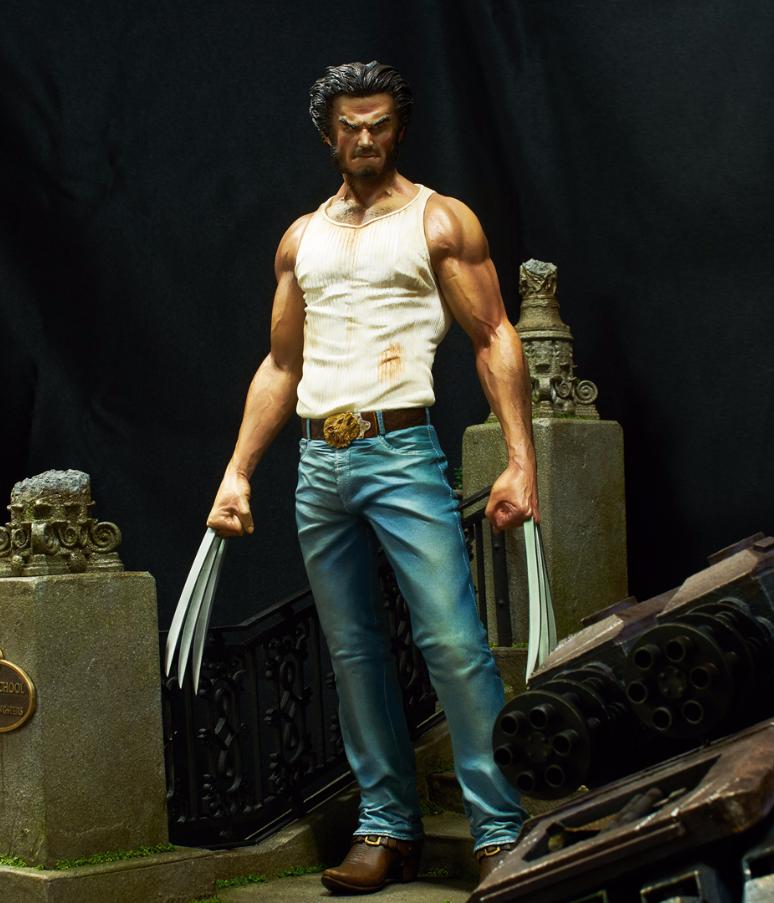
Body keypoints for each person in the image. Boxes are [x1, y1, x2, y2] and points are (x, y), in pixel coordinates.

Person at [206, 60, 537, 893]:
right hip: (320, 460)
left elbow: (494, 333)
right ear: (328, 134)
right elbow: (281, 365)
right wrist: (238, 473)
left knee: (453, 643)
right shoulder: (302, 239)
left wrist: (519, 459)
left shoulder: (438, 220)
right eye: (350, 126)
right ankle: (387, 826)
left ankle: (500, 829)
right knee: (352, 652)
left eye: (379, 123)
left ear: (399, 128)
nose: (365, 138)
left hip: (400, 450)